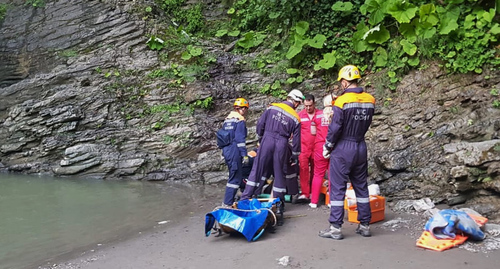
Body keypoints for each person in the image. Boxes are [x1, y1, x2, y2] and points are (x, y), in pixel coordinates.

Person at [319, 65, 375, 240]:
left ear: (344, 82)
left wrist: (328, 146)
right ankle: (365, 225)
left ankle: (335, 228)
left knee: (337, 188)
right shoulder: (370, 99)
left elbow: (335, 128)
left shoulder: (342, 101)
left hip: (343, 147)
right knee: (361, 186)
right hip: (360, 146)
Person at [241, 89, 305, 220]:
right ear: (295, 102)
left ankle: (245, 198)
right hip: (282, 143)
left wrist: (260, 138)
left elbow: (260, 124)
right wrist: (294, 156)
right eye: (298, 102)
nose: (298, 105)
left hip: (267, 139)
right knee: (279, 172)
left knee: (257, 169)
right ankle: (277, 202)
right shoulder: (296, 117)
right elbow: (297, 141)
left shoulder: (272, 108)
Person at [220, 98, 249, 207]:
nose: (245, 111)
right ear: (242, 109)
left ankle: (243, 193)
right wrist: (244, 155)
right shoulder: (239, 120)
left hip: (227, 151)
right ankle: (227, 203)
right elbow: (240, 139)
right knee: (235, 177)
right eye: (245, 109)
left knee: (237, 174)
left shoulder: (227, 120)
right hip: (235, 151)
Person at [308, 93, 335, 208]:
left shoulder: (317, 115)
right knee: (333, 174)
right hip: (333, 146)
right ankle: (331, 201)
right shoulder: (338, 114)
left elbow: (313, 132)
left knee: (318, 174)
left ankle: (314, 201)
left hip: (320, 147)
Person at [297, 94, 321, 203]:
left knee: (316, 171)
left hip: (316, 147)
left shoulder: (320, 114)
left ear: (314, 103)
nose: (308, 108)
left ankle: (313, 191)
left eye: (310, 105)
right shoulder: (299, 115)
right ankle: (305, 193)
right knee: (303, 170)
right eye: (306, 106)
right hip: (303, 148)